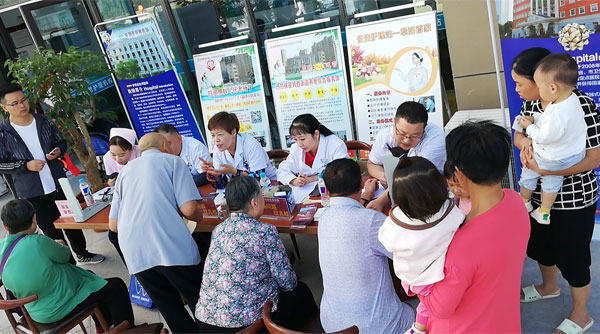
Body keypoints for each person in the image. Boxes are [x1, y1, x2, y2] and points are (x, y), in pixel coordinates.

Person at [511, 47, 598, 334]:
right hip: (537, 196)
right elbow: (519, 133)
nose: (517, 89)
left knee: (573, 256)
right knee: (541, 246)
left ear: (545, 82)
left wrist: (550, 171)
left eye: (520, 83)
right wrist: (524, 144)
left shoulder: (580, 105)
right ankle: (549, 287)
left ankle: (581, 314)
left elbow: (595, 157)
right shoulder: (532, 104)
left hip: (574, 197)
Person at [417, 121, 530, 332]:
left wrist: (414, 280)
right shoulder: (515, 202)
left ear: (458, 174)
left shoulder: (462, 243)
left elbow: (440, 308)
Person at [109, 133, 204, 333]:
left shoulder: (125, 172)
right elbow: (189, 209)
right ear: (164, 146)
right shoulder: (173, 162)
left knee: (169, 307)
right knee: (198, 298)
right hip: (170, 246)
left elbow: (114, 225)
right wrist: (199, 214)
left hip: (136, 253)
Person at [196, 176, 318, 332]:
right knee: (301, 292)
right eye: (261, 195)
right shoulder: (264, 232)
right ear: (254, 202)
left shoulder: (218, 230)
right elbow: (287, 282)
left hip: (206, 323)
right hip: (246, 327)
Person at [0, 83, 104, 265]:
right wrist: (26, 165)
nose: (22, 106)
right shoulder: (3, 133)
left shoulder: (44, 121)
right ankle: (69, 265)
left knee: (72, 222)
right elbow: (2, 164)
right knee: (51, 231)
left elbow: (61, 142)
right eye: (15, 103)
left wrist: (58, 151)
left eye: (23, 100)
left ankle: (82, 253)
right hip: (32, 191)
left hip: (58, 183)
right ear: (4, 107)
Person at [1, 199, 134, 330]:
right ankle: (125, 330)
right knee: (116, 286)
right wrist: (59, 243)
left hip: (33, 311)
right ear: (34, 219)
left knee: (90, 277)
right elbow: (65, 256)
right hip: (60, 306)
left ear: (5, 226)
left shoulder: (2, 248)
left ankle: (103, 325)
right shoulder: (37, 242)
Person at [318, 158, 415, 333]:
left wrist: (364, 198)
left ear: (328, 189)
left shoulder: (323, 217)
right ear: (361, 183)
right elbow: (409, 253)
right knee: (422, 308)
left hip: (332, 324)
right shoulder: (371, 221)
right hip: (378, 327)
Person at [378, 157, 464, 334]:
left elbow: (385, 241)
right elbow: (459, 222)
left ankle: (419, 328)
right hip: (440, 272)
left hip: (413, 277)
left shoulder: (398, 221)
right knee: (426, 305)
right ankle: (419, 327)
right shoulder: (449, 210)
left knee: (425, 303)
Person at [516, 53, 586, 225]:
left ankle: (524, 202)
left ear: (552, 88)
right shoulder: (571, 100)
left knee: (529, 170)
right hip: (570, 155)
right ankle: (544, 212)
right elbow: (554, 126)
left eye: (539, 86)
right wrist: (526, 137)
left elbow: (544, 135)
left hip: (554, 161)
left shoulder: (558, 110)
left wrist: (529, 127)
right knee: (552, 181)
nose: (516, 89)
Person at [367, 101, 446, 211]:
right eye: (402, 133)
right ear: (394, 122)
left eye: (415, 136)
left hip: (425, 192)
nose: (407, 140)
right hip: (392, 191)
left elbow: (415, 178)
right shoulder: (384, 136)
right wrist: (383, 176)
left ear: (424, 129)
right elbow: (372, 164)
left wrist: (382, 200)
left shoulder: (436, 139)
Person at [277, 114, 349, 202]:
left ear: (316, 134)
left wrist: (313, 178)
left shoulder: (334, 144)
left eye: (302, 139)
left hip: (332, 192)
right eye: (295, 139)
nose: (299, 144)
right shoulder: (296, 149)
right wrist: (293, 180)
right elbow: (282, 169)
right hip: (305, 195)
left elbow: (343, 171)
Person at [201, 112, 277, 182]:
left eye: (220, 135)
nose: (216, 140)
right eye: (213, 135)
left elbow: (258, 179)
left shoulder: (251, 145)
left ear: (233, 132)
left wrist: (234, 171)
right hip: (238, 191)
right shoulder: (217, 149)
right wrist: (212, 172)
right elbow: (221, 185)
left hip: (269, 186)